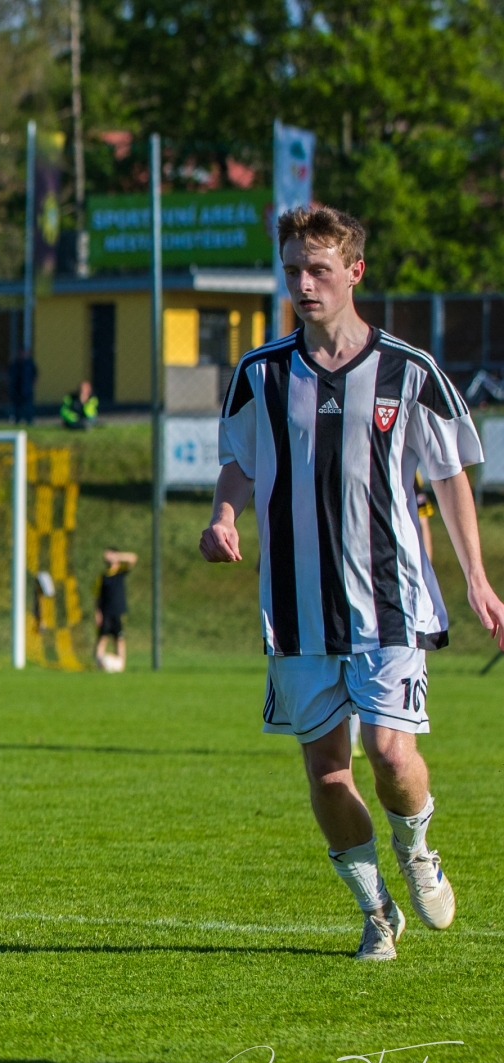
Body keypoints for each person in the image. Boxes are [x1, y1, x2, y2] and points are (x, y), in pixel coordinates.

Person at [201, 206, 504, 961]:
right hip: (296, 609)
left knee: (392, 756)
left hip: (391, 601)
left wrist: (476, 578)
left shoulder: (409, 370)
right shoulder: (261, 373)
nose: (304, 284)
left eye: (319, 270)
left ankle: (418, 848)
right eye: (293, 271)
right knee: (329, 774)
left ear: (355, 272)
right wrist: (223, 515)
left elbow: (451, 476)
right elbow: (239, 460)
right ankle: (376, 912)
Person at [93, 548, 137, 671]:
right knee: (102, 637)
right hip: (105, 612)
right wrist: (97, 613)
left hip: (118, 612)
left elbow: (133, 558)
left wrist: (117, 556)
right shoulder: (102, 577)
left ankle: (121, 666)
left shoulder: (120, 572)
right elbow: (97, 597)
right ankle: (98, 665)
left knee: (119, 638)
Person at [8, 348, 38, 425]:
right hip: (17, 389)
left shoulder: (30, 364)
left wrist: (32, 385)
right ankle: (17, 420)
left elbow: (34, 376)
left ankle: (29, 420)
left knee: (28, 406)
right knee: (17, 407)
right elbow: (10, 377)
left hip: (27, 389)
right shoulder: (14, 364)